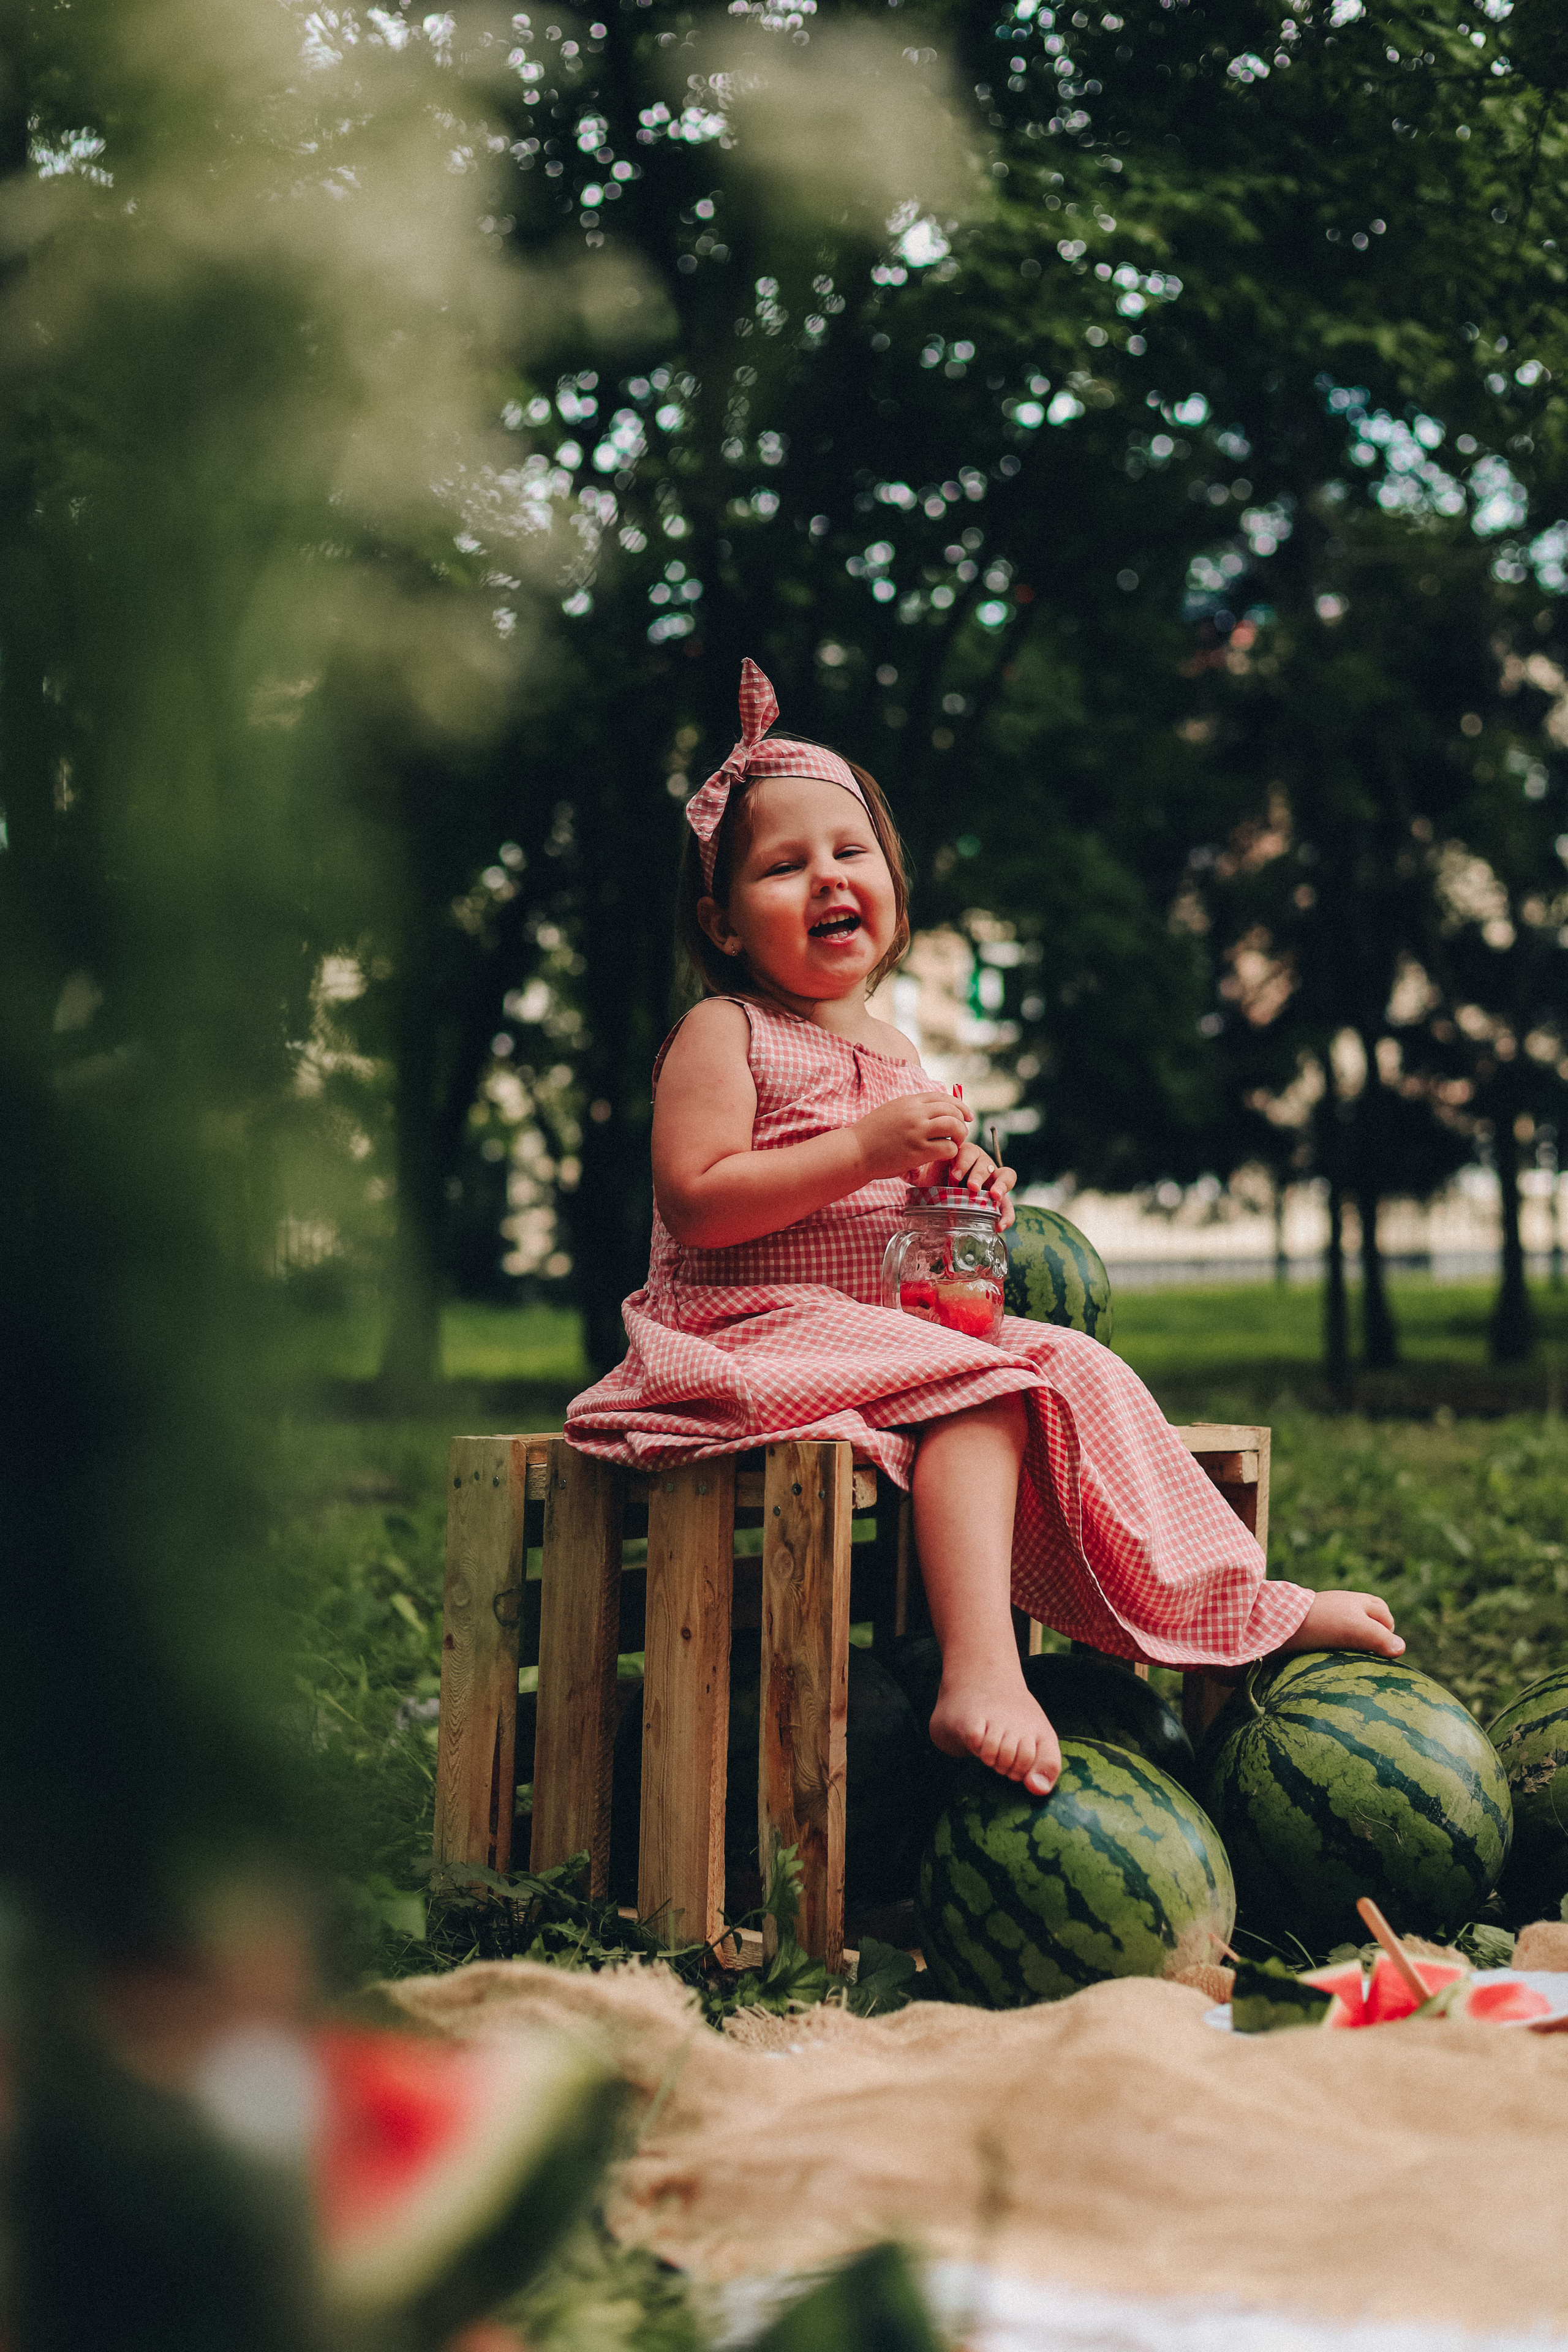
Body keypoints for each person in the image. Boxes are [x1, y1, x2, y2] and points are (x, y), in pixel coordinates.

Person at [567, 660, 1401, 1796]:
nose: (827, 878)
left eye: (850, 854)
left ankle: (1243, 1605)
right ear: (721, 923)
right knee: (986, 1386)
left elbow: (890, 1214)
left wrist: (957, 1199)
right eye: (783, 864)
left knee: (1075, 1364)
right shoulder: (726, 1031)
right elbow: (697, 1202)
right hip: (743, 1329)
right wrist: (865, 1150)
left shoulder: (894, 1049)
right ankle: (981, 1673)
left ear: (894, 890)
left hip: (871, 1335)